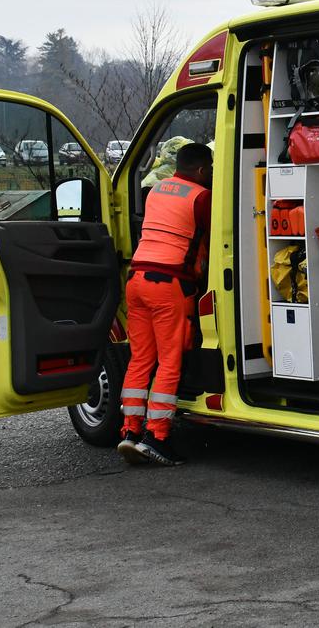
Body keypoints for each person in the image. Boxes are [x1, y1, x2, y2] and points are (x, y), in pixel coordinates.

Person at [118, 143, 214, 466]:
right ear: (202, 170)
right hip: (169, 284)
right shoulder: (201, 197)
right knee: (169, 361)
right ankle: (157, 437)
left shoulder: (156, 190)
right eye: (210, 169)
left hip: (136, 280)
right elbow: (217, 236)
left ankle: (130, 432)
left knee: (140, 359)